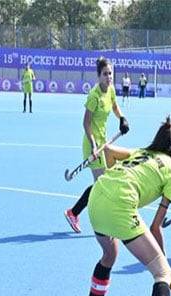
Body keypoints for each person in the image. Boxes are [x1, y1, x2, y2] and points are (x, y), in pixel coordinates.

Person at [78, 117, 171, 296]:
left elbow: (107, 151)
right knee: (161, 272)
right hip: (119, 205)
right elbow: (155, 227)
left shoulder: (142, 153)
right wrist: (165, 268)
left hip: (96, 198)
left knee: (109, 254)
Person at [64, 57, 129, 233]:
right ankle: (74, 212)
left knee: (104, 182)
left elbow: (115, 106)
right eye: (105, 74)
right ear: (98, 76)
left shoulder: (111, 90)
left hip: (104, 142)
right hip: (92, 143)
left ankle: (75, 212)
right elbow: (86, 123)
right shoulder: (94, 96)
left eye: (110, 73)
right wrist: (93, 145)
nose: (109, 77)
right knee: (102, 182)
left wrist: (121, 118)